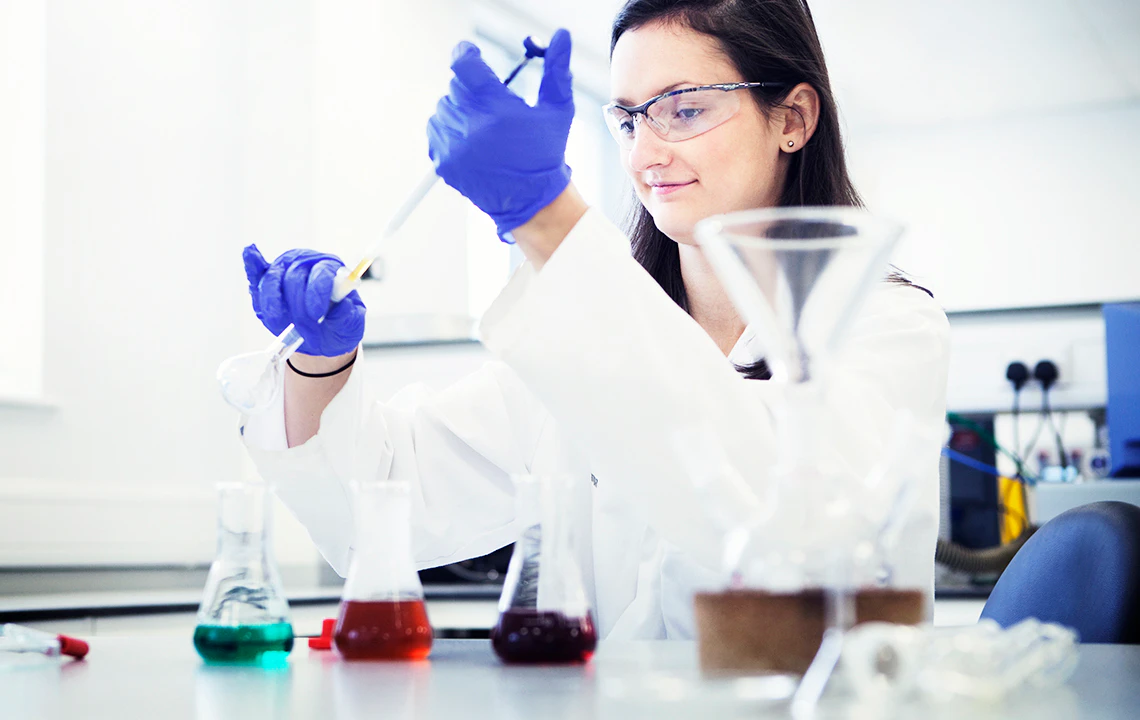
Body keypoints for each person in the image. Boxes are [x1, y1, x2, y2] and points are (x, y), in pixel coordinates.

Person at [239, 0, 950, 640]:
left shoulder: (885, 327)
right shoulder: (582, 339)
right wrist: (319, 363)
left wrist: (548, 220)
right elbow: (384, 506)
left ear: (792, 120)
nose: (644, 154)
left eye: (686, 108)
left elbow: (781, 527)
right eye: (629, 118)